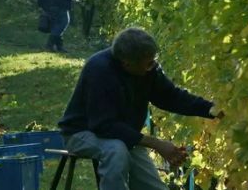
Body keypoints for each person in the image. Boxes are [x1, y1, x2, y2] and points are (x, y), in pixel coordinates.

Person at [58, 28, 223, 190]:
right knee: (116, 151)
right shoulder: (99, 70)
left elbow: (172, 97)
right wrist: (156, 144)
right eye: (149, 63)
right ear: (127, 63)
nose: (153, 66)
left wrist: (212, 110)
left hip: (124, 136)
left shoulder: (146, 69)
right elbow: (104, 126)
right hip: (82, 132)